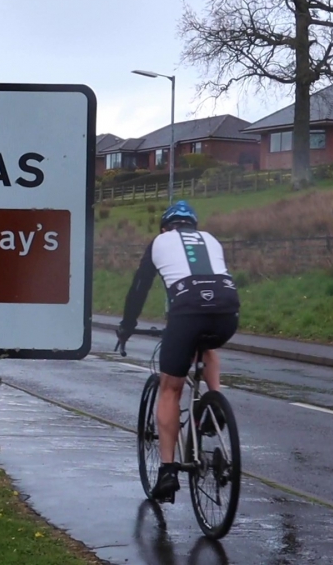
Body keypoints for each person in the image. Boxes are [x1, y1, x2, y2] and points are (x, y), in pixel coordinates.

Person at [115, 200, 240, 502]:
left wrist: (127, 326)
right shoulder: (210, 239)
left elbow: (139, 288)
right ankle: (215, 404)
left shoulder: (159, 241)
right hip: (228, 311)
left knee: (170, 388)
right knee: (206, 343)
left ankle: (168, 471)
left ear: (164, 228)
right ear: (193, 226)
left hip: (186, 311)